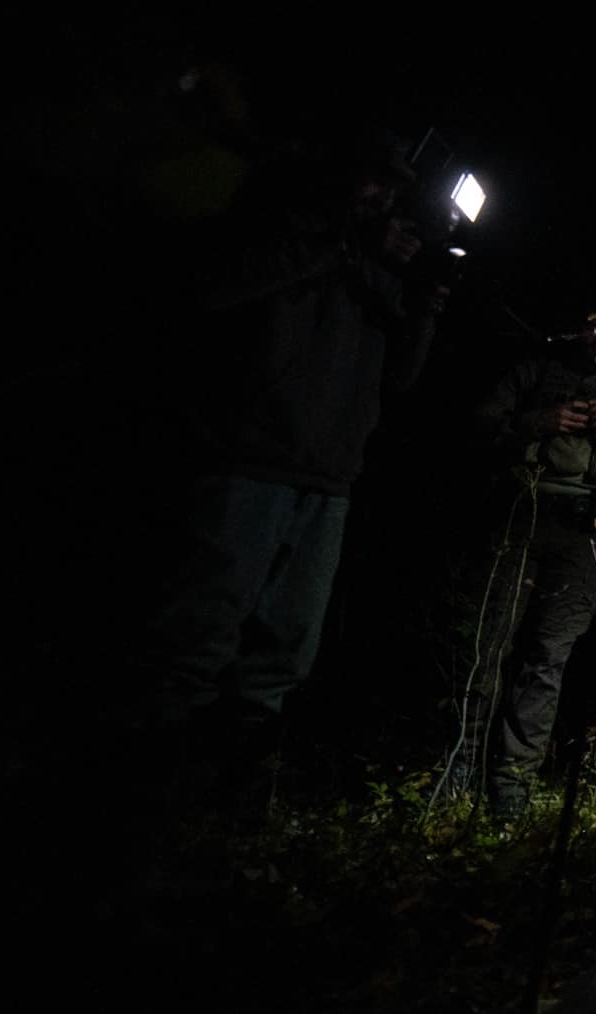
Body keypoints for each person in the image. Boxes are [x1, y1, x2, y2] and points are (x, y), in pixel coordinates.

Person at [133, 128, 447, 788]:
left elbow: (402, 378)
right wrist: (342, 245)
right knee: (196, 637)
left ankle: (226, 800)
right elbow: (208, 295)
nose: (380, 198)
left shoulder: (376, 268)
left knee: (283, 652)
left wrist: (428, 295)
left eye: (391, 190)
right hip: (247, 461)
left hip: (330, 478)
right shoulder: (282, 229)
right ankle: (141, 793)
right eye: (373, 181)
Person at [457, 304, 596, 818]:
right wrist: (538, 422)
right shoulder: (534, 372)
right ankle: (457, 775)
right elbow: (475, 428)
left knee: (547, 660)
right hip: (520, 515)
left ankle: (510, 791)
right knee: (487, 647)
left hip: (582, 532)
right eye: (594, 324)